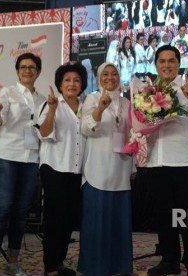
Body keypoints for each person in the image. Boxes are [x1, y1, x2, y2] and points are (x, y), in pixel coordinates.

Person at [140, 45, 188, 276]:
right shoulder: (148, 92)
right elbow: (141, 123)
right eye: (162, 61)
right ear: (156, 65)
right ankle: (169, 260)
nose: (167, 65)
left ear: (179, 64)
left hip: (186, 163)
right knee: (164, 216)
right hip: (156, 162)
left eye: (172, 61)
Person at [0, 53, 46, 276]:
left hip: (31, 158)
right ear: (17, 71)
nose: (27, 70)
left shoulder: (43, 99)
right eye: (23, 67)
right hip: (7, 156)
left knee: (21, 213)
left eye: (32, 67)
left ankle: (13, 262)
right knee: (2, 209)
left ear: (38, 72)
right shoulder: (8, 92)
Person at [78, 62, 133, 276]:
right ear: (99, 77)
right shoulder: (91, 99)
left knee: (119, 222)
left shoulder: (128, 103)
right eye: (105, 74)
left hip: (122, 168)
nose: (110, 77)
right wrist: (100, 108)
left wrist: (134, 164)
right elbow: (86, 129)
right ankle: (95, 267)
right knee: (96, 221)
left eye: (115, 73)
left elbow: (132, 135)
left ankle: (119, 266)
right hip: (97, 168)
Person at [38, 62, 87, 276]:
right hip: (55, 168)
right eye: (67, 80)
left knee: (68, 220)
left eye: (76, 80)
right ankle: (50, 267)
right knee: (54, 219)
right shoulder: (51, 104)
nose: (72, 84)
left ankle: (59, 263)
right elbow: (44, 133)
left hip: (77, 171)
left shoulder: (87, 105)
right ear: (59, 83)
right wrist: (51, 110)